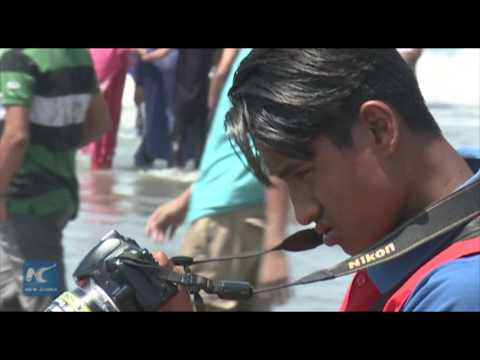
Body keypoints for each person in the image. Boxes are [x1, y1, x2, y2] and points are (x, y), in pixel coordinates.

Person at [156, 48, 480, 312]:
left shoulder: (458, 294)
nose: (302, 214)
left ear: (379, 129)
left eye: (303, 173)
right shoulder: (406, 235)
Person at [146, 48, 290, 311]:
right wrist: (191, 196)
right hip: (231, 215)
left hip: (232, 217)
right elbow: (244, 144)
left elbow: (277, 147)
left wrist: (275, 245)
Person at [0, 48, 110, 311]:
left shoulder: (18, 58)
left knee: (44, 299)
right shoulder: (78, 55)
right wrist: (53, 150)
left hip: (26, 203)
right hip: (58, 194)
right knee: (10, 292)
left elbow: (16, 137)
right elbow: (100, 123)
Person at [82, 48, 132, 170]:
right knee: (100, 108)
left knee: (111, 110)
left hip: (117, 55)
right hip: (103, 56)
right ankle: (99, 163)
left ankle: (104, 161)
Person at [132, 48, 179, 169]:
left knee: (164, 115)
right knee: (158, 114)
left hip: (165, 65)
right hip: (152, 68)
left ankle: (168, 155)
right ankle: (168, 156)